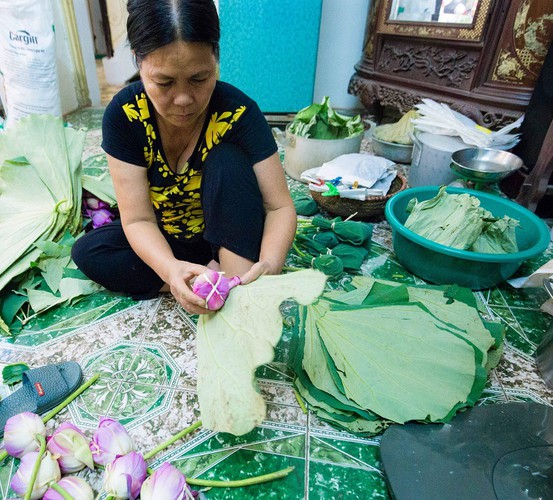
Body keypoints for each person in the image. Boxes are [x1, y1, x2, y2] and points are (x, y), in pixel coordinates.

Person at [72, 0, 297, 315]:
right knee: (89, 251)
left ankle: (234, 284)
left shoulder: (238, 113)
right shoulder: (125, 116)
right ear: (137, 60)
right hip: (168, 237)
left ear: (215, 57)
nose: (183, 99)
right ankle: (191, 280)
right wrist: (169, 269)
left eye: (199, 79)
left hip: (228, 231)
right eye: (164, 82)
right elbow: (138, 220)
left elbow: (280, 206)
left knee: (228, 161)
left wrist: (270, 264)